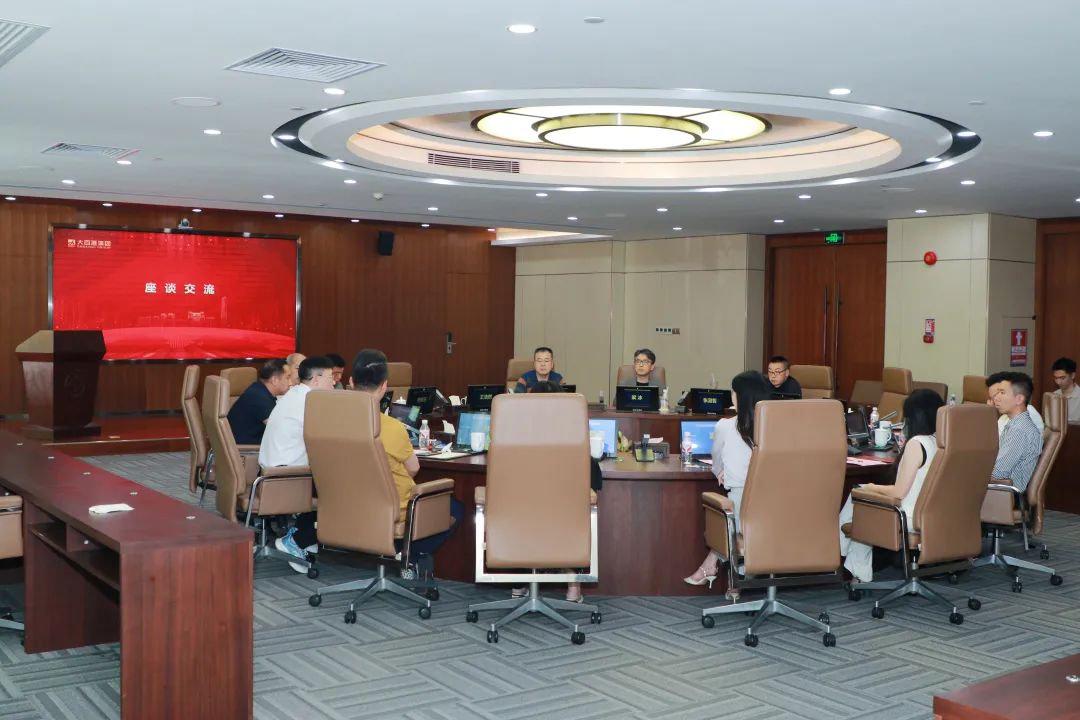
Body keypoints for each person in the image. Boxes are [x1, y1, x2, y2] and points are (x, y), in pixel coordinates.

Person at [351, 349, 463, 569]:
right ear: (384, 386)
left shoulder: (333, 422)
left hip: (351, 505)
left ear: (351, 382)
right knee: (456, 508)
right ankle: (410, 555)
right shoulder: (392, 427)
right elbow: (413, 468)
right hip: (395, 510)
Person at [838, 389, 945, 583]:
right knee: (862, 500)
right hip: (931, 515)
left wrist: (871, 487)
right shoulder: (940, 442)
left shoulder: (916, 443)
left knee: (859, 495)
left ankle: (842, 558)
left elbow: (898, 492)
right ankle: (849, 562)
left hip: (906, 516)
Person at [683, 370, 773, 597]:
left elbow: (716, 462)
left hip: (742, 508)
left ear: (740, 396)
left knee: (731, 509)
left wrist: (721, 472)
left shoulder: (725, 425)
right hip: (775, 509)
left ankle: (715, 567)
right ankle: (732, 577)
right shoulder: (776, 426)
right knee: (739, 511)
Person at [523, 379, 603, 603]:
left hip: (520, 523)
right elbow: (593, 489)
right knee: (576, 510)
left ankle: (520, 583)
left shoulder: (515, 440)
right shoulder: (575, 443)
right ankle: (573, 585)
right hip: (563, 522)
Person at [261, 356, 335, 573]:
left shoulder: (295, 395)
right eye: (330, 377)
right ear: (316, 379)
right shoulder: (310, 403)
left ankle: (305, 536)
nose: (334, 382)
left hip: (272, 473)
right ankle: (297, 540)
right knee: (343, 488)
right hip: (286, 478)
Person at [991, 372, 1043, 493]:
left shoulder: (1019, 430)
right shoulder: (1015, 424)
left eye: (1002, 393)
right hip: (1000, 489)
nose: (996, 398)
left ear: (1019, 399)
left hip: (1003, 493)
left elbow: (997, 474)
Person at [226, 359, 289, 445]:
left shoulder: (259, 389)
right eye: (287, 378)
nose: (291, 382)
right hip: (247, 449)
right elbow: (281, 431)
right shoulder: (260, 398)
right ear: (274, 380)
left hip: (249, 444)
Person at [1051, 357, 1080, 424]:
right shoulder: (1054, 395)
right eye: (1056, 378)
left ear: (1072, 375)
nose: (1058, 382)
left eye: (1062, 378)